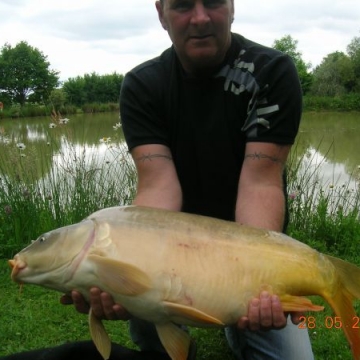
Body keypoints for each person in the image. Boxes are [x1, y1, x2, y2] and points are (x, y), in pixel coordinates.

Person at [1, 0, 313, 359]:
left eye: (212, 2)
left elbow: (261, 183)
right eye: (181, 5)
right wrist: (124, 279)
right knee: (142, 309)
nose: (199, 18)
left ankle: (231, 318)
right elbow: (157, 187)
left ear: (231, 7)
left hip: (246, 248)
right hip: (170, 251)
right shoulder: (143, 84)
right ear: (161, 13)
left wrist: (253, 282)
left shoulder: (271, 71)